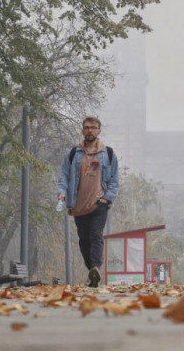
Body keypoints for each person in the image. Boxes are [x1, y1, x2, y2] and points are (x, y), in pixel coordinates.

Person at [57, 117, 120, 287]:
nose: (90, 130)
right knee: (84, 240)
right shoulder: (73, 154)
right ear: (82, 131)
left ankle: (95, 266)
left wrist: (106, 199)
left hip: (99, 203)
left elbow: (114, 180)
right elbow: (64, 177)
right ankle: (92, 272)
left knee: (95, 234)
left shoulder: (108, 154)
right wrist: (62, 194)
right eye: (86, 128)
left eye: (93, 127)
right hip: (78, 205)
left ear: (99, 130)